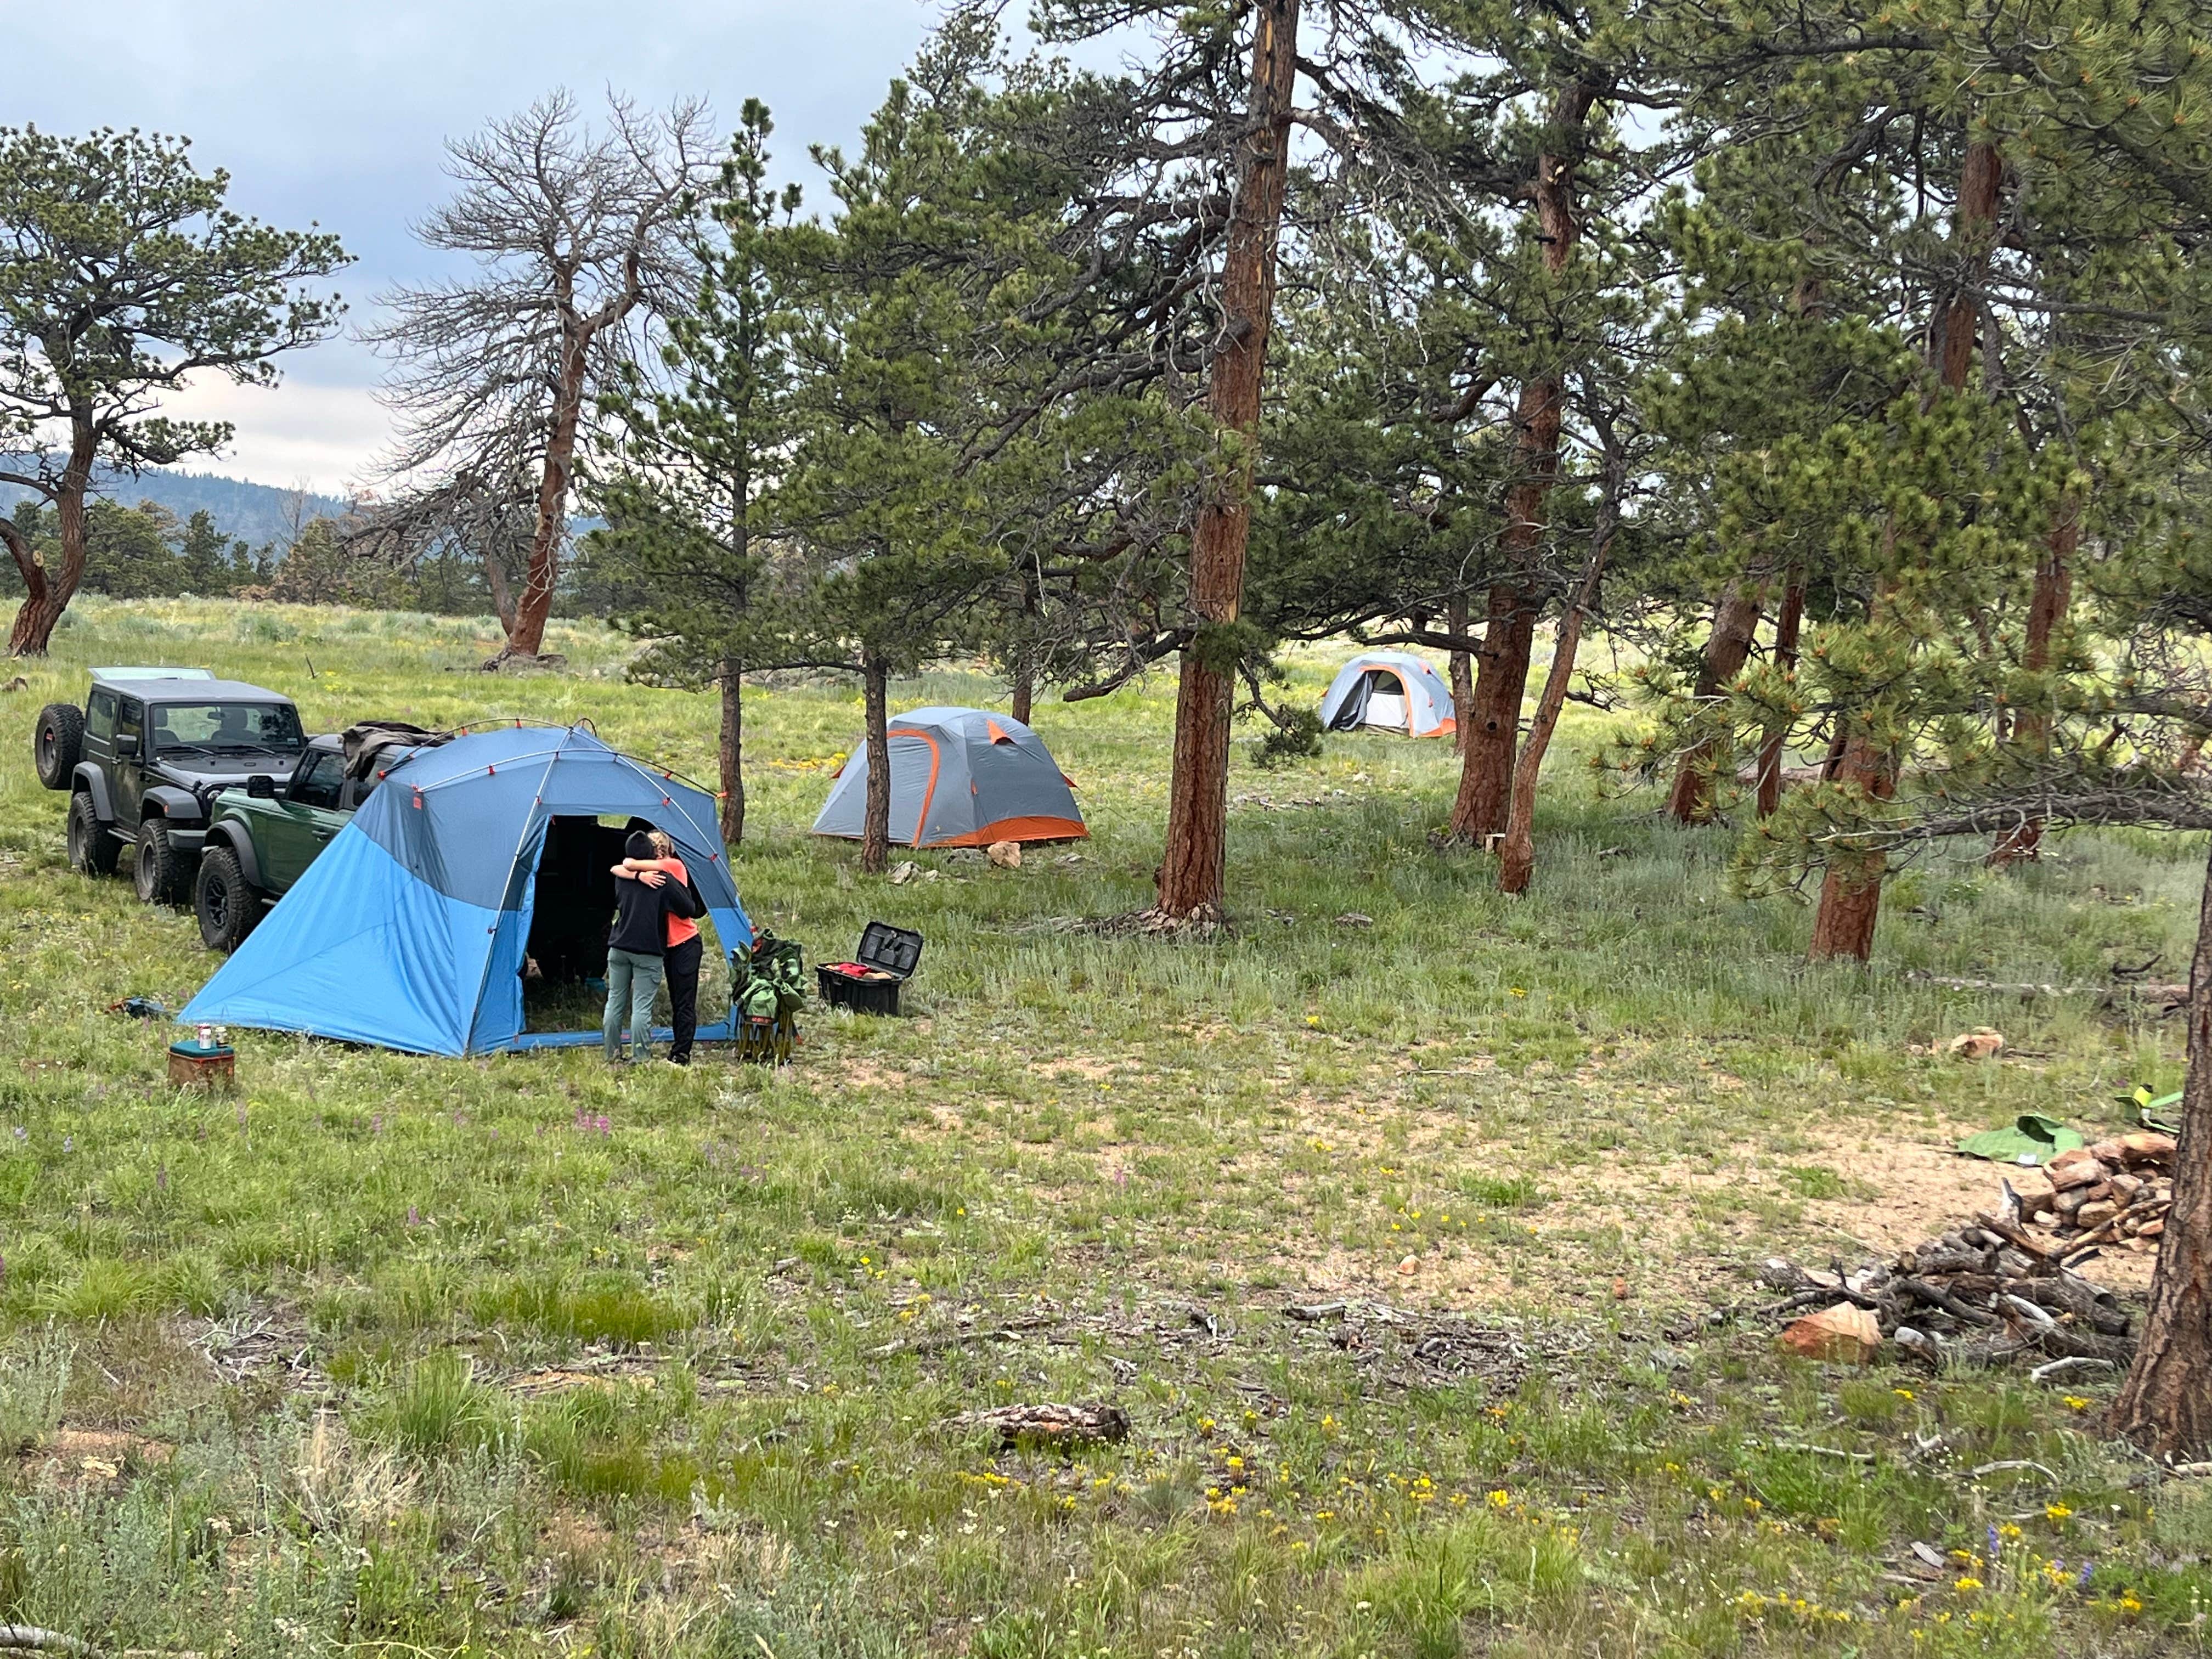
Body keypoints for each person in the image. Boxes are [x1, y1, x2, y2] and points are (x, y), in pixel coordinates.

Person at [602, 829, 696, 1064]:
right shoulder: (662, 879)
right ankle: (640, 1056)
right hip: (648, 950)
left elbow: (618, 868)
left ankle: (611, 1054)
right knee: (641, 1006)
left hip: (619, 946)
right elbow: (688, 908)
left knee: (615, 1001)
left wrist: (635, 874)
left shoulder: (621, 877)